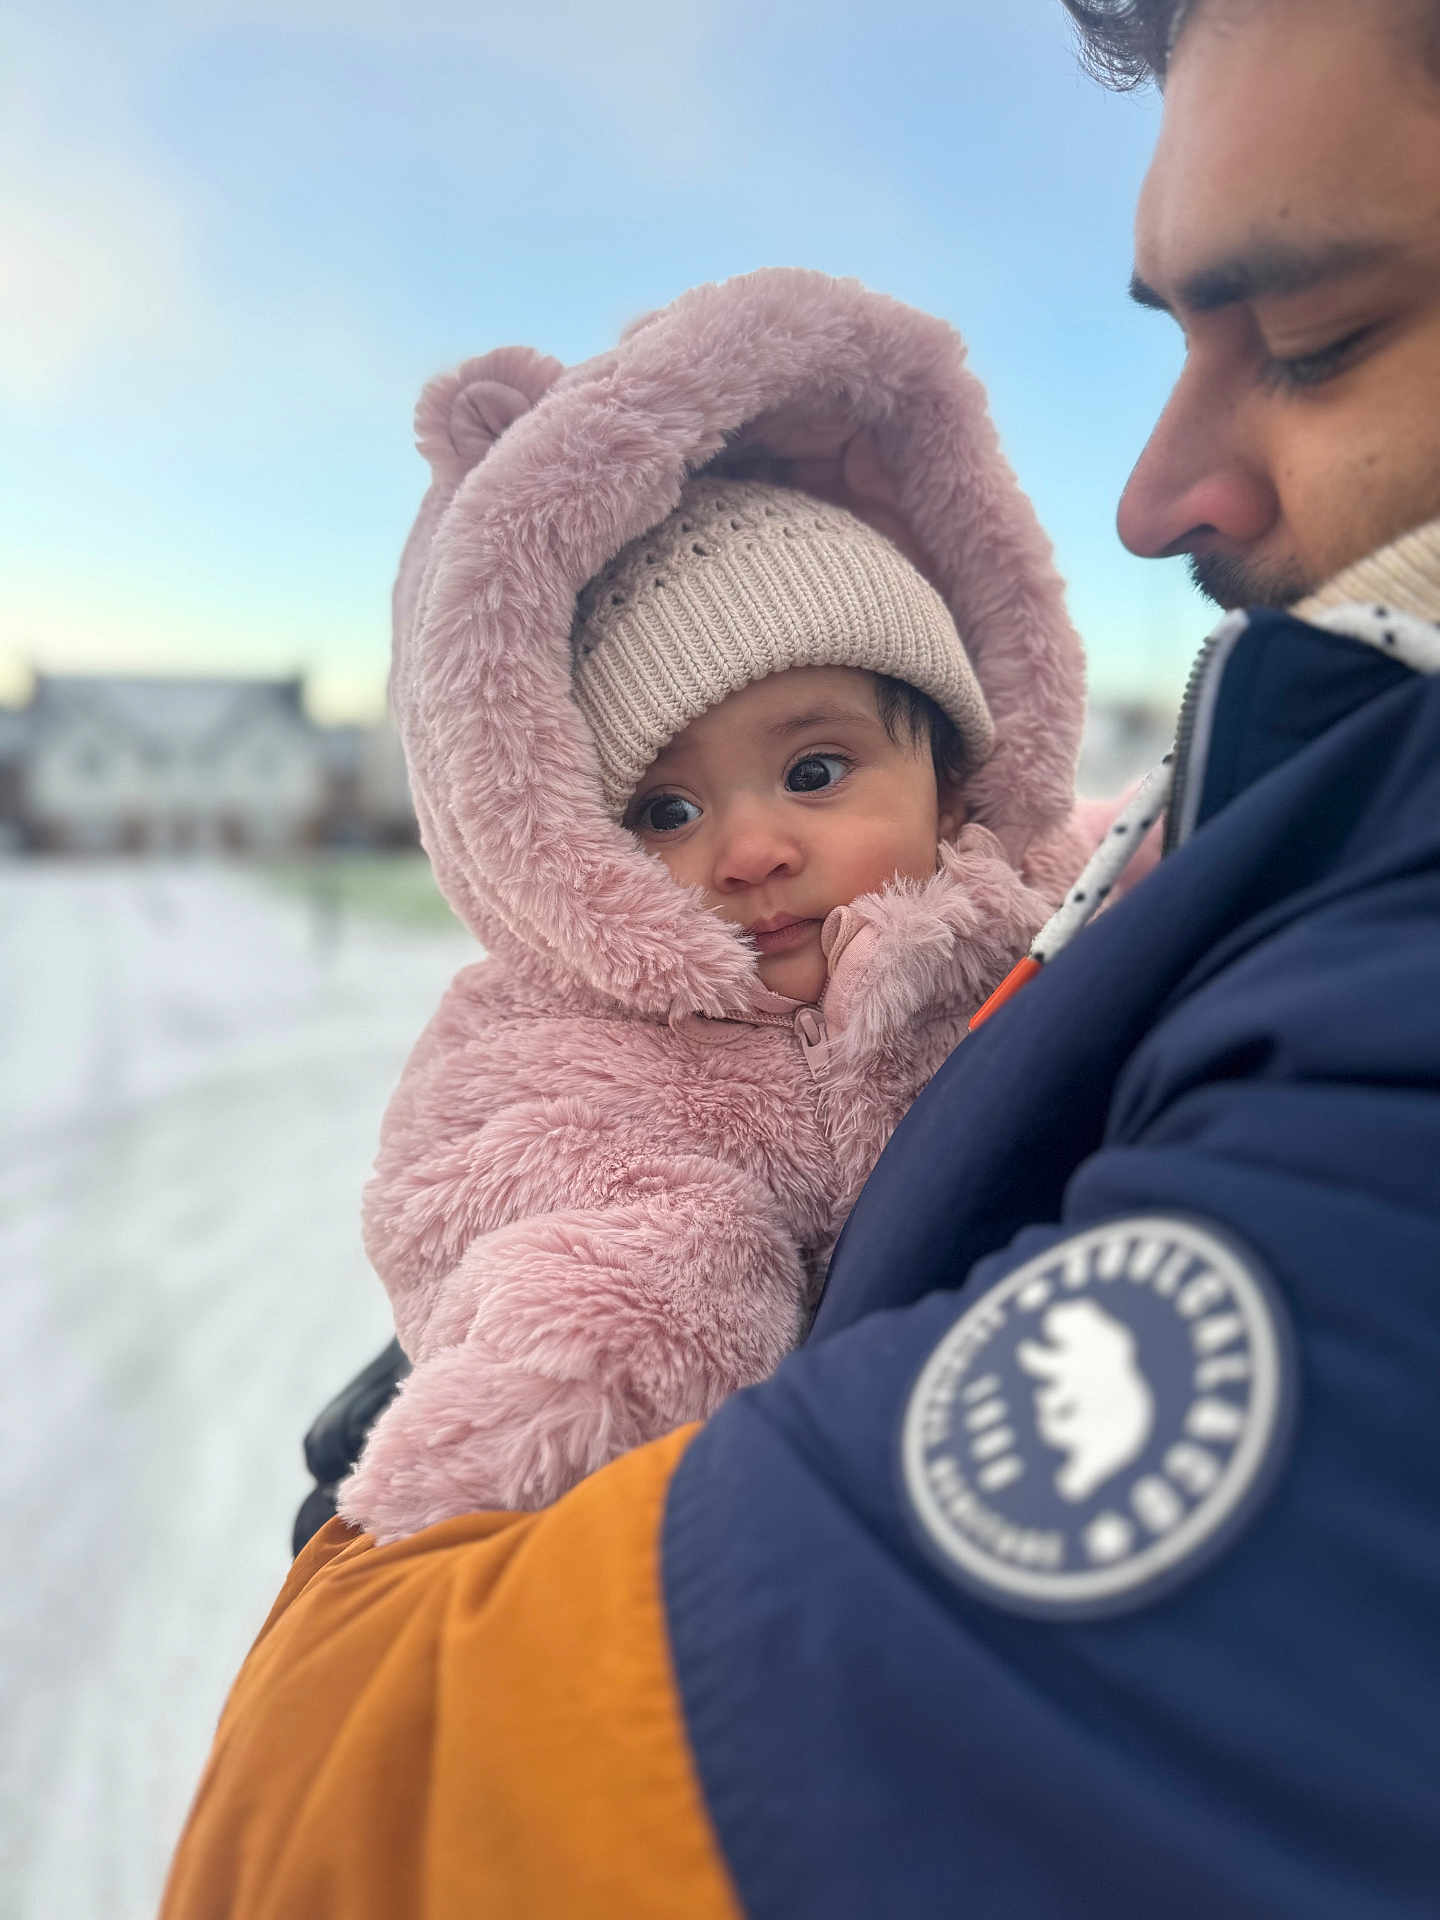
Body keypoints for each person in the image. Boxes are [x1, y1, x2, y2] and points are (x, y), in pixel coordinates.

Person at [162, 3, 1440, 1914]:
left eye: (1321, 335)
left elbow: (371, 1817)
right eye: (659, 811)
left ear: (949, 750)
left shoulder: (1347, 976)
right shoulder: (600, 1047)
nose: (1154, 490)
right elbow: (590, 1237)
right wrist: (543, 1360)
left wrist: (366, 1590)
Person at [335, 269, 1102, 1542]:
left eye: (816, 772)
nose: (747, 852)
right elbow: (497, 1195)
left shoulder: (1059, 920)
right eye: (664, 810)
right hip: (775, 1539)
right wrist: (634, 1315)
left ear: (955, 778)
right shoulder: (559, 1046)